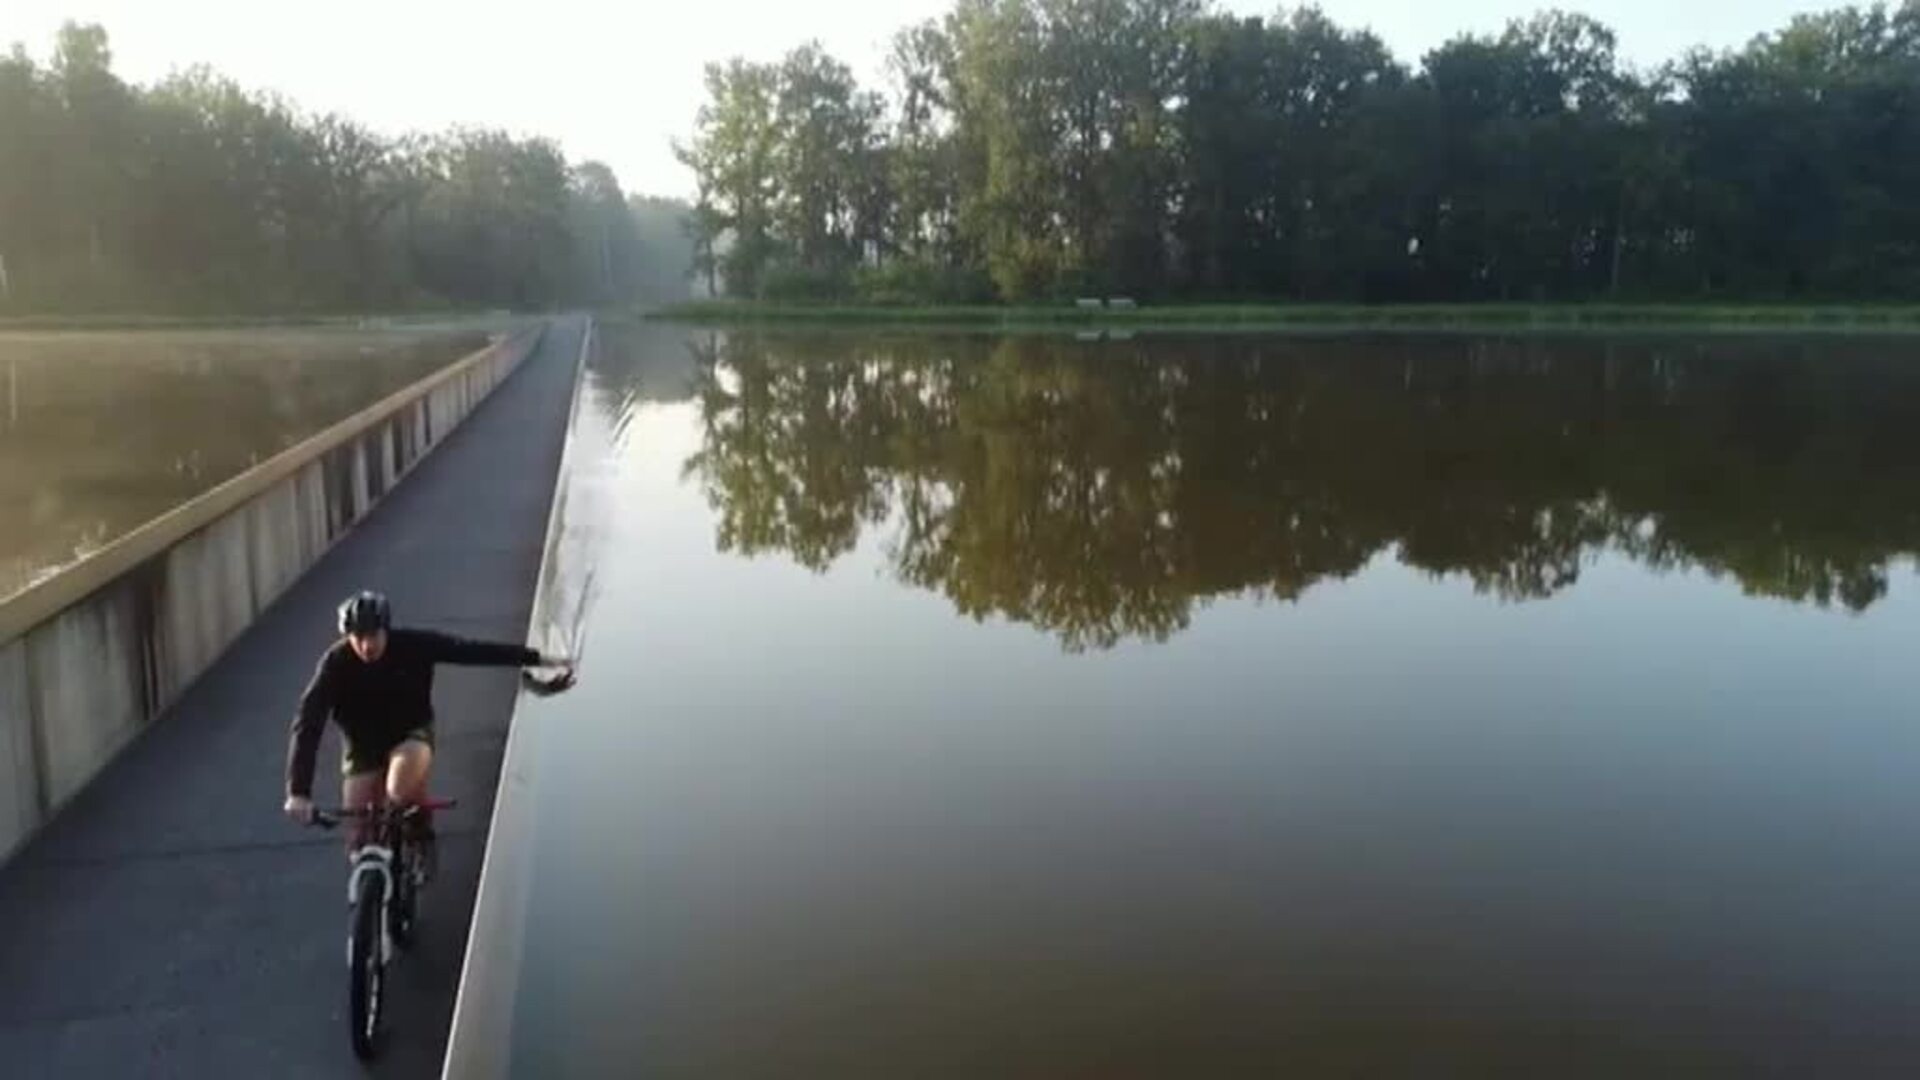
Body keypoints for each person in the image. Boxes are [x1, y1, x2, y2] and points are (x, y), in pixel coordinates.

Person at [283, 590, 573, 855]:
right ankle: (368, 890)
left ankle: (420, 835)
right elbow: (308, 721)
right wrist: (299, 792)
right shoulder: (335, 664)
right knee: (359, 834)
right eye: (357, 637)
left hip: (410, 733)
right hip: (362, 748)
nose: (366, 645)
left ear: (386, 629)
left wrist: (537, 659)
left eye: (373, 635)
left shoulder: (413, 645)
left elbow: (470, 651)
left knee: (398, 791)